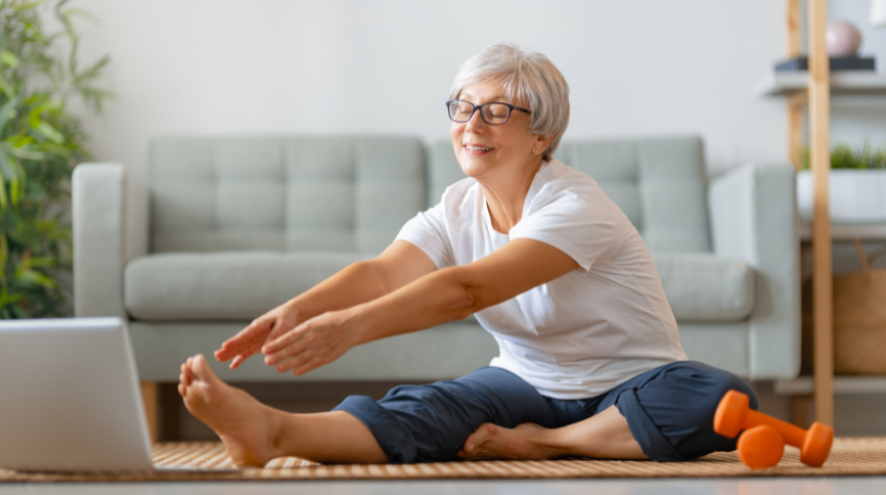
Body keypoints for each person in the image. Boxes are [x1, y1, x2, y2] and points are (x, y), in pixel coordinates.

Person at [177, 42, 757, 467]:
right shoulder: (457, 207)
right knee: (430, 405)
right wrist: (297, 312)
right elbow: (381, 274)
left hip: (630, 385)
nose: (472, 124)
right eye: (463, 106)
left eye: (498, 110)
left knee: (720, 397)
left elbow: (467, 291)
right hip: (523, 383)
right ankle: (273, 431)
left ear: (543, 135)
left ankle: (543, 443)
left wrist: (350, 329)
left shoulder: (576, 204)